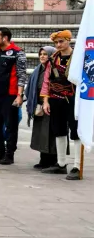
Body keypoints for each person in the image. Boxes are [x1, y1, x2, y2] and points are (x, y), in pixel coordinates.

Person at [0, 27, 27, 165]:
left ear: (5, 38)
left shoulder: (18, 53)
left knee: (11, 126)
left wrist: (19, 95)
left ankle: (9, 154)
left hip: (9, 95)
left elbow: (22, 75)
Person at [41, 30, 80, 179]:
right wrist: (45, 101)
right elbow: (46, 81)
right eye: (56, 42)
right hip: (55, 99)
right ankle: (61, 164)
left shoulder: (78, 58)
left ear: (68, 40)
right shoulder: (53, 59)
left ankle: (77, 165)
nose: (58, 45)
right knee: (58, 130)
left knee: (76, 131)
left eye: (61, 41)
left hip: (73, 98)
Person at [24, 47, 57, 169]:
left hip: (51, 105)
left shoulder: (54, 69)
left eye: (45, 54)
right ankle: (43, 160)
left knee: (51, 134)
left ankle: (53, 161)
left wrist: (46, 101)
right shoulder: (38, 70)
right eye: (41, 54)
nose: (42, 56)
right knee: (40, 134)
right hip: (39, 106)